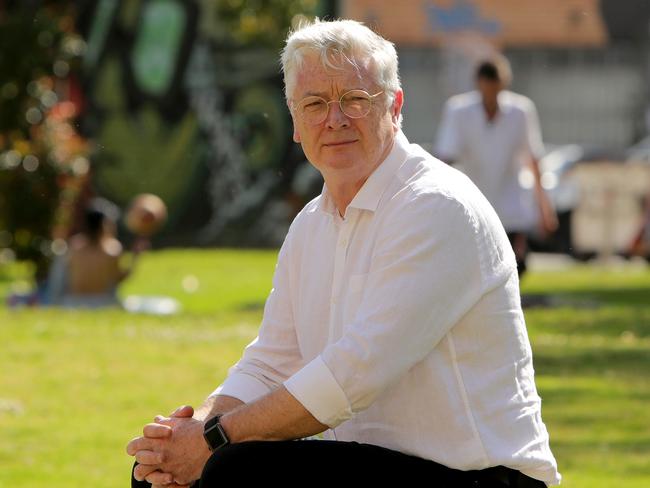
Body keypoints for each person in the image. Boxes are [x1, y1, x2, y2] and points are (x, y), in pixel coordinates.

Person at [127, 19, 561, 487]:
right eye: (314, 104)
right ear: (295, 122)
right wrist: (192, 429)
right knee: (155, 476)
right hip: (381, 465)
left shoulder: (435, 206)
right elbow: (270, 362)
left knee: (234, 470)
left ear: (394, 106)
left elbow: (352, 376)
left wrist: (213, 441)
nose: (334, 119)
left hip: (483, 478)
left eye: (355, 100)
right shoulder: (311, 224)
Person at [435, 57, 558, 277]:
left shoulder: (521, 111)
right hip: (474, 200)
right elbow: (446, 158)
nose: (491, 96)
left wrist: (544, 208)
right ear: (478, 84)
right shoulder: (458, 111)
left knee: (514, 265)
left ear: (504, 84)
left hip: (511, 202)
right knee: (478, 265)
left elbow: (533, 158)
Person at [46, 198, 144, 308]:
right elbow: (118, 279)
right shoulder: (112, 250)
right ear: (103, 225)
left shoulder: (74, 246)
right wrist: (135, 258)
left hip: (72, 303)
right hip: (102, 303)